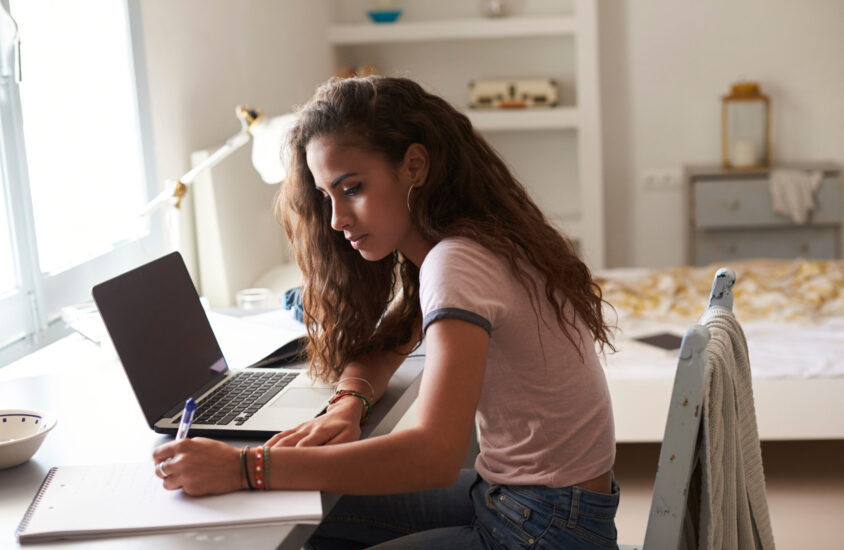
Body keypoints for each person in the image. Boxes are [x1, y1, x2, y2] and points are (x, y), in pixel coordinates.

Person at [153, 76, 619, 549]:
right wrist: (347, 405)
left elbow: (435, 455)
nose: (336, 220)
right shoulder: (468, 241)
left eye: (351, 188)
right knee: (311, 516)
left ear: (415, 165)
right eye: (326, 196)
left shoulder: (455, 261)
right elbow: (389, 342)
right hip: (533, 504)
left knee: (290, 512)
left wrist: (246, 467)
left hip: (544, 528)